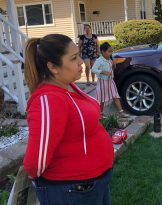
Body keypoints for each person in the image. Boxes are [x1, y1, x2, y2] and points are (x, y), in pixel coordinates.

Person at [23, 34, 114, 205]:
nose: (81, 62)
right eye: (73, 58)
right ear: (53, 67)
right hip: (73, 191)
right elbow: (36, 162)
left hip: (92, 185)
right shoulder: (49, 100)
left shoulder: (69, 86)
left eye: (79, 55)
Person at [91, 42, 129, 118]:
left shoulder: (109, 59)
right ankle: (100, 114)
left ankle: (121, 112)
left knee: (115, 96)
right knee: (102, 99)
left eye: (111, 51)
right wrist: (102, 71)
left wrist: (114, 64)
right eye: (109, 51)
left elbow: (112, 68)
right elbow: (93, 69)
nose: (111, 53)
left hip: (110, 81)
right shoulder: (99, 61)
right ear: (103, 52)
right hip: (102, 82)